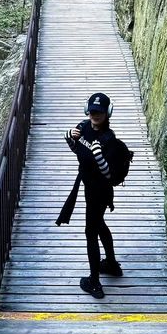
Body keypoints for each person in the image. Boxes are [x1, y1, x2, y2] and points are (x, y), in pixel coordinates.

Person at [58, 91, 123, 300]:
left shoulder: (108, 139)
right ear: (88, 111)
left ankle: (94, 282)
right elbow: (80, 153)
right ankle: (111, 264)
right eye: (93, 111)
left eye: (100, 112)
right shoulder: (83, 127)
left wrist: (100, 157)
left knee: (90, 231)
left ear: (108, 113)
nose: (96, 115)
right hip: (87, 186)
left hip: (100, 191)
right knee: (99, 224)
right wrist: (70, 138)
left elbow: (109, 174)